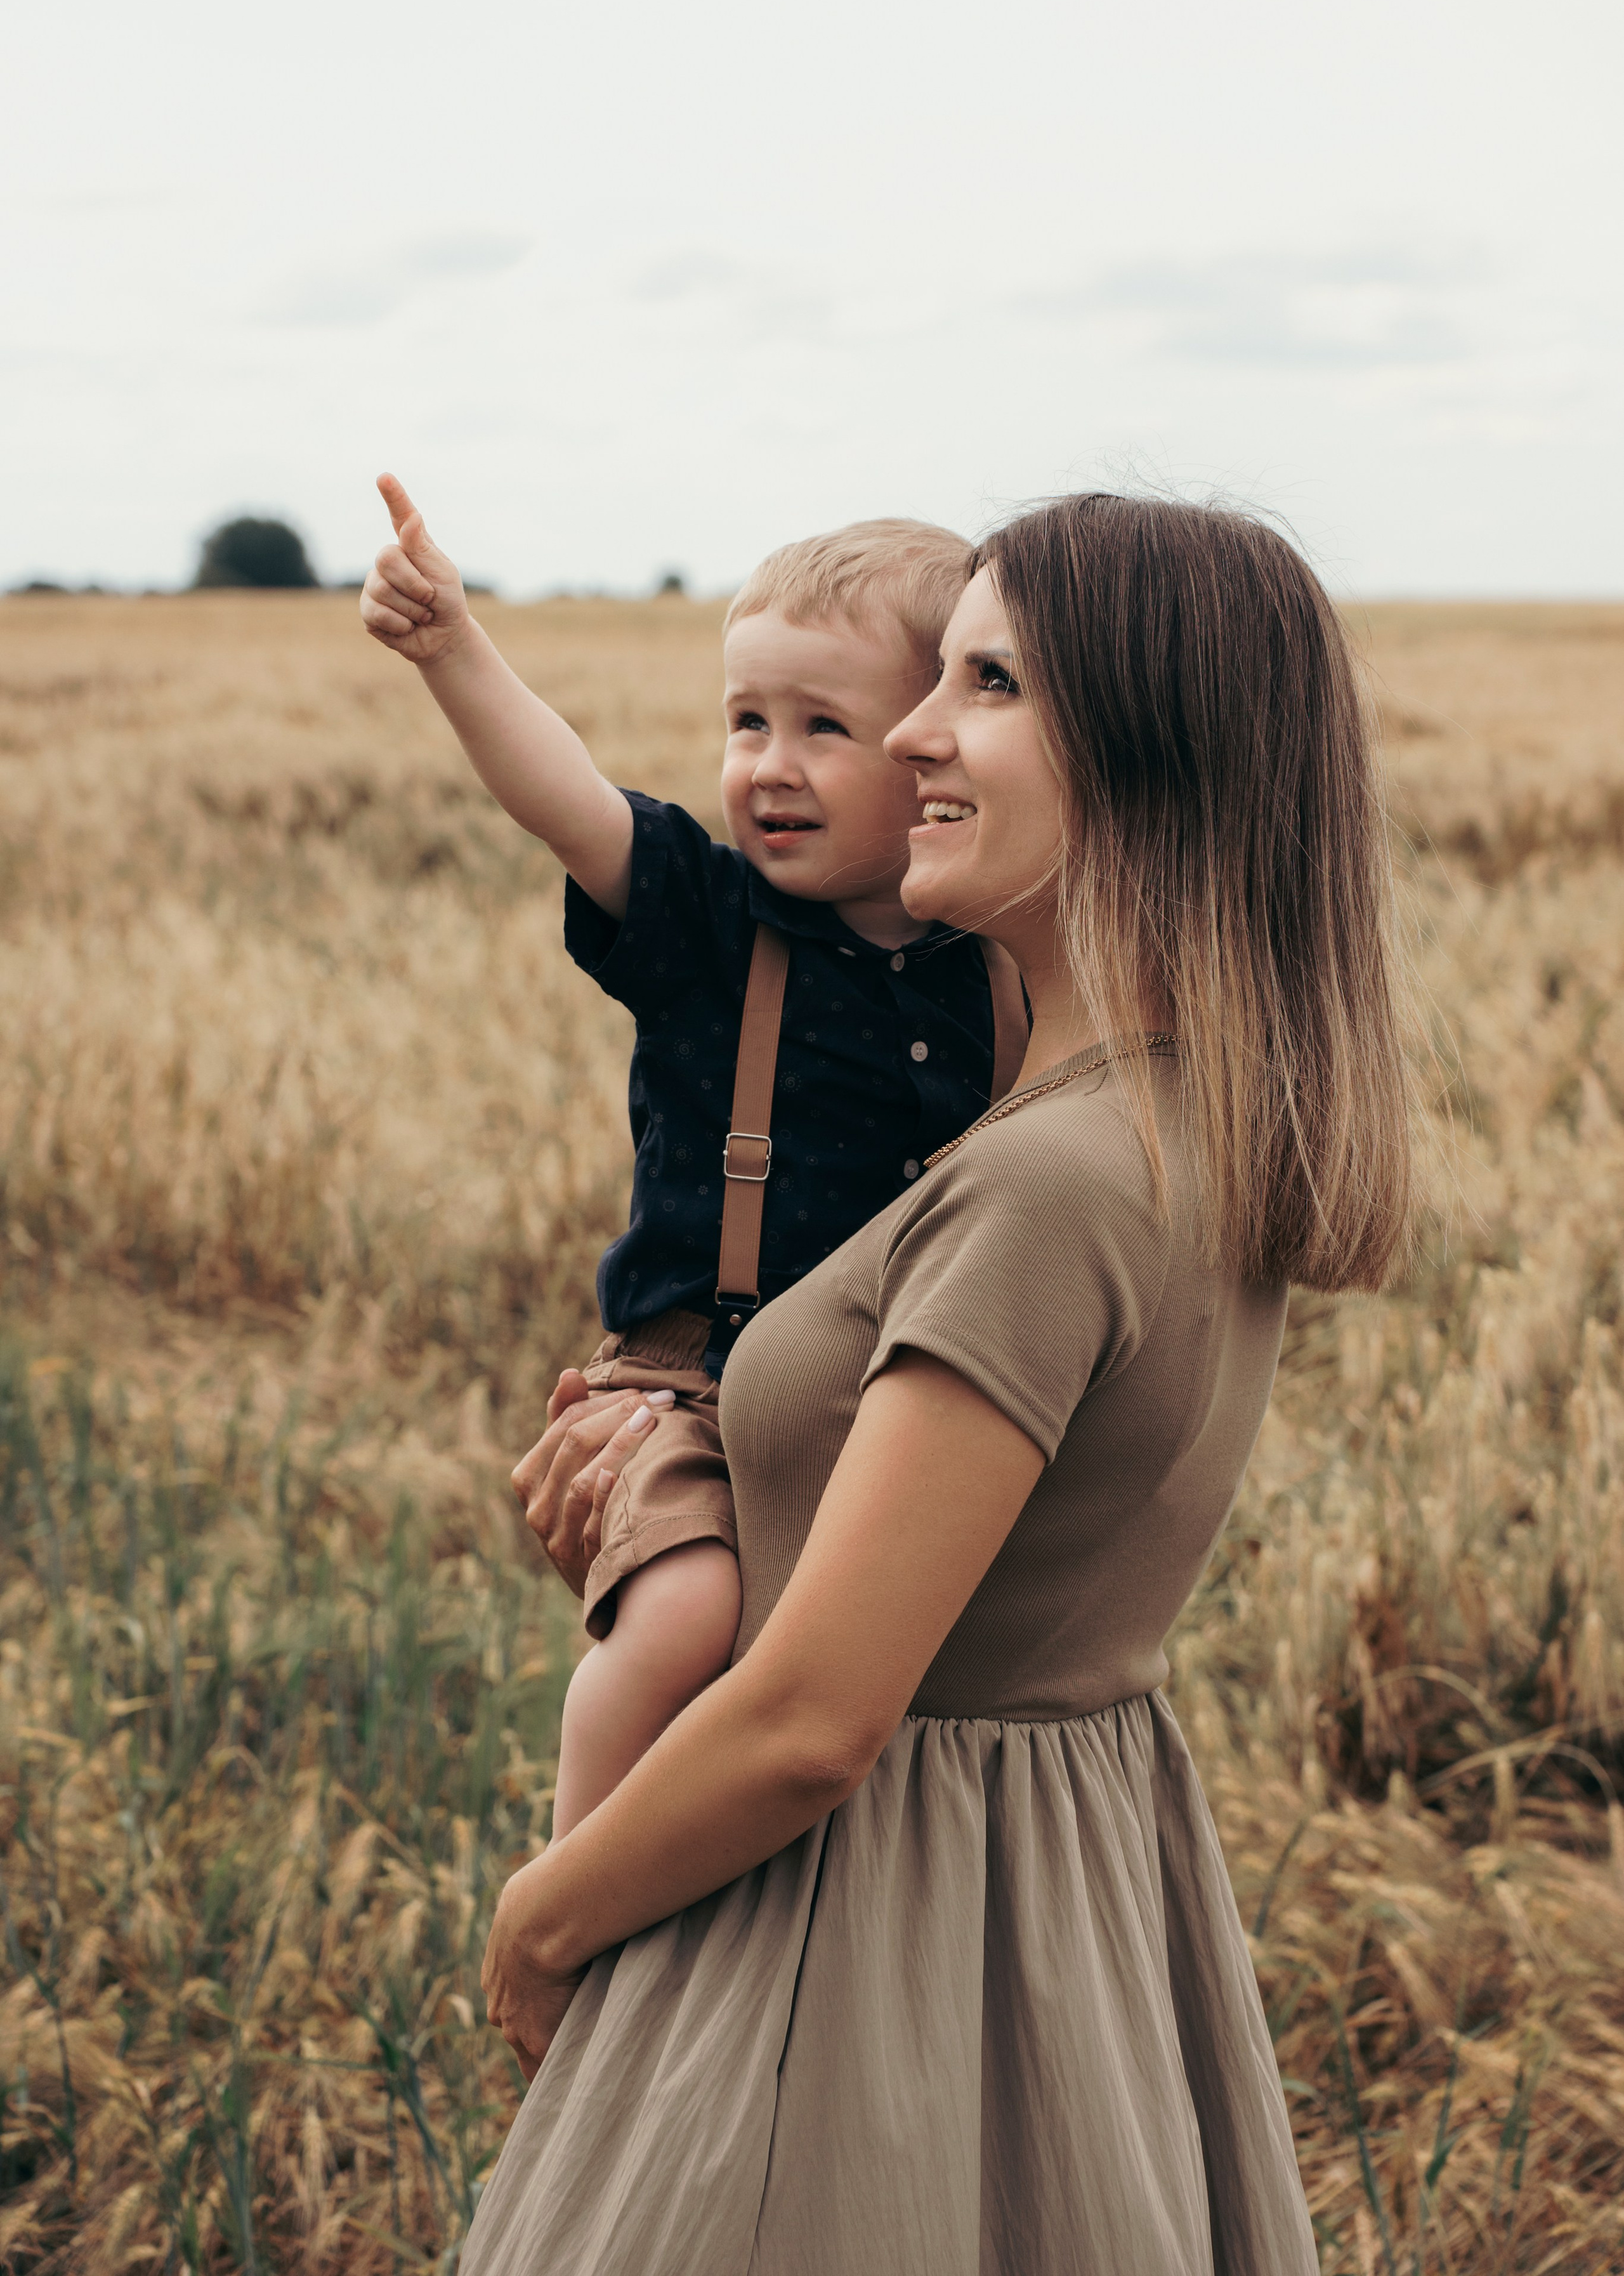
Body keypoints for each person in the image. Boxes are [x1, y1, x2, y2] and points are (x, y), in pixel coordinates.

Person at [466, 490, 1413, 2276]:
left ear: (1140, 759)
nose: (909, 736)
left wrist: (542, 1920)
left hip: (859, 1931)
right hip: (1054, 1892)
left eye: (984, 684)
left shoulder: (1045, 1188)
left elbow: (817, 1719)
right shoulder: (1171, 1123)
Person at [358, 481, 1023, 1838]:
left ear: (931, 746)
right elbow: (567, 803)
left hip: (879, 1411)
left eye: (822, 727)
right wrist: (453, 651)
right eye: (745, 722)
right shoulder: (708, 921)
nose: (768, 765)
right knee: (682, 1621)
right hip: (694, 1394)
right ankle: (577, 1893)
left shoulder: (1000, 963)